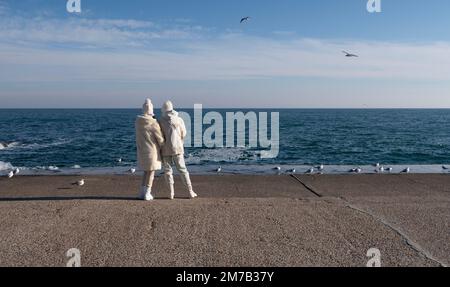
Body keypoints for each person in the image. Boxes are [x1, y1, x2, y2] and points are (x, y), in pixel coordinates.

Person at [159, 101, 197, 199]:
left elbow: (159, 136)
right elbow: (184, 133)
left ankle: (171, 193)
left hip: (165, 149)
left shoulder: (160, 120)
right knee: (183, 170)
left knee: (168, 171)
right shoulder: (179, 119)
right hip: (178, 148)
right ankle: (190, 191)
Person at [135, 99, 165, 201]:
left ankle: (142, 192)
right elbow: (160, 138)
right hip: (152, 151)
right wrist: (164, 146)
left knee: (145, 172)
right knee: (151, 172)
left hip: (142, 150)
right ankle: (148, 193)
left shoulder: (138, 122)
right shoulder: (153, 123)